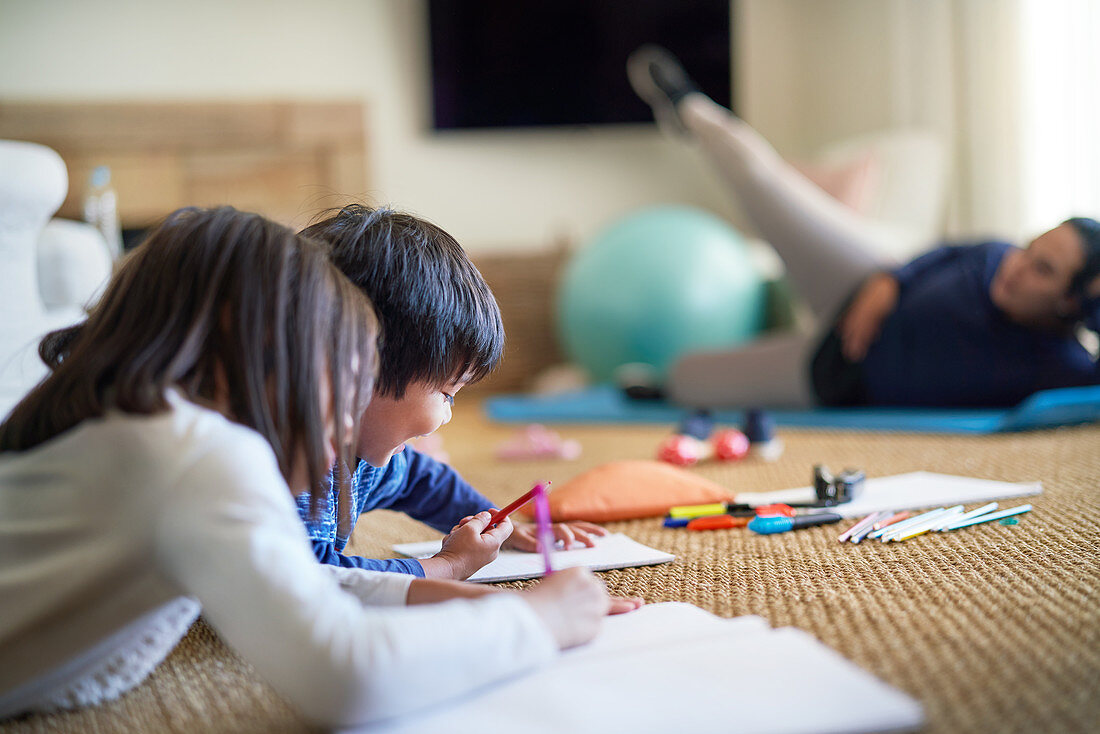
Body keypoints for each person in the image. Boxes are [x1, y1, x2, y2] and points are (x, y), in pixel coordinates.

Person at [0, 207, 636, 727]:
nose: (345, 413)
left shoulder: (156, 439)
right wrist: (537, 621)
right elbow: (348, 677)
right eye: (343, 374)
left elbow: (294, 579)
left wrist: (443, 592)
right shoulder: (200, 457)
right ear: (255, 354)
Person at [627, 46, 1100, 409]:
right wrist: (888, 281)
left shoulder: (1056, 366)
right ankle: (689, 109)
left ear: (1071, 300)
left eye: (1043, 270)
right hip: (861, 279)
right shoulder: (995, 255)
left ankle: (660, 383)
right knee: (765, 182)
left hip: (838, 369)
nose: (1016, 269)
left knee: (689, 378)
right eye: (1028, 249)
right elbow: (933, 255)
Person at [294, 205, 608, 579]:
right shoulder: (293, 461)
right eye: (446, 393)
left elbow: (423, 481)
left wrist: (499, 526)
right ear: (360, 369)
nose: (448, 414)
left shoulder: (358, 454)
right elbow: (310, 581)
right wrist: (448, 565)